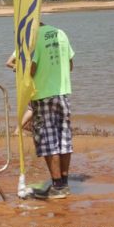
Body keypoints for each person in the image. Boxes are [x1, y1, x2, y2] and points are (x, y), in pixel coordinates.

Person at [29, 23, 75, 200]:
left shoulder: (34, 39)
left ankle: (57, 186)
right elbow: (70, 65)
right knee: (63, 139)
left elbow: (32, 68)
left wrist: (21, 72)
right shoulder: (61, 32)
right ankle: (64, 183)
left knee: (48, 140)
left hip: (43, 95)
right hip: (63, 93)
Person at [6, 51, 33, 136]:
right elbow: (8, 63)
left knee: (34, 106)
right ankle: (18, 129)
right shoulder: (22, 48)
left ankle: (27, 127)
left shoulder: (20, 47)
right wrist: (19, 67)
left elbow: (9, 63)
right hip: (29, 82)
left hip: (27, 81)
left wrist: (17, 67)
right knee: (32, 108)